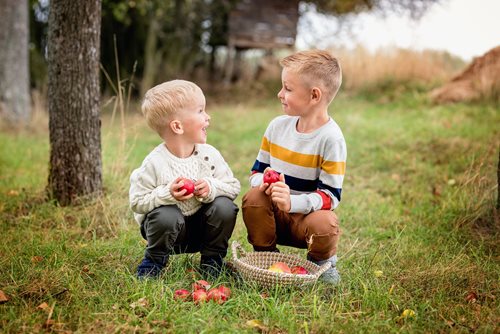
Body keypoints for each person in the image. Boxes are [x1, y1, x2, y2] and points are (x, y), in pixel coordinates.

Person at [242, 50, 346, 284]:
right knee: (253, 198)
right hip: (274, 217)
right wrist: (264, 180)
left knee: (325, 223)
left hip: (306, 223)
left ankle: (322, 264)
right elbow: (256, 172)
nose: (280, 94)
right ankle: (266, 256)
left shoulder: (331, 139)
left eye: (288, 89)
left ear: (314, 95)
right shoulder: (277, 127)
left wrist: (293, 203)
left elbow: (331, 195)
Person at [129, 79, 240, 279]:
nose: (208, 117)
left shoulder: (210, 155)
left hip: (203, 230)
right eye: (200, 111)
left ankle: (212, 261)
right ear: (177, 126)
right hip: (169, 235)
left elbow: (233, 187)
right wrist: (166, 194)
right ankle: (154, 262)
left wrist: (211, 188)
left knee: (224, 206)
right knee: (166, 215)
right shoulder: (154, 163)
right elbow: (137, 202)